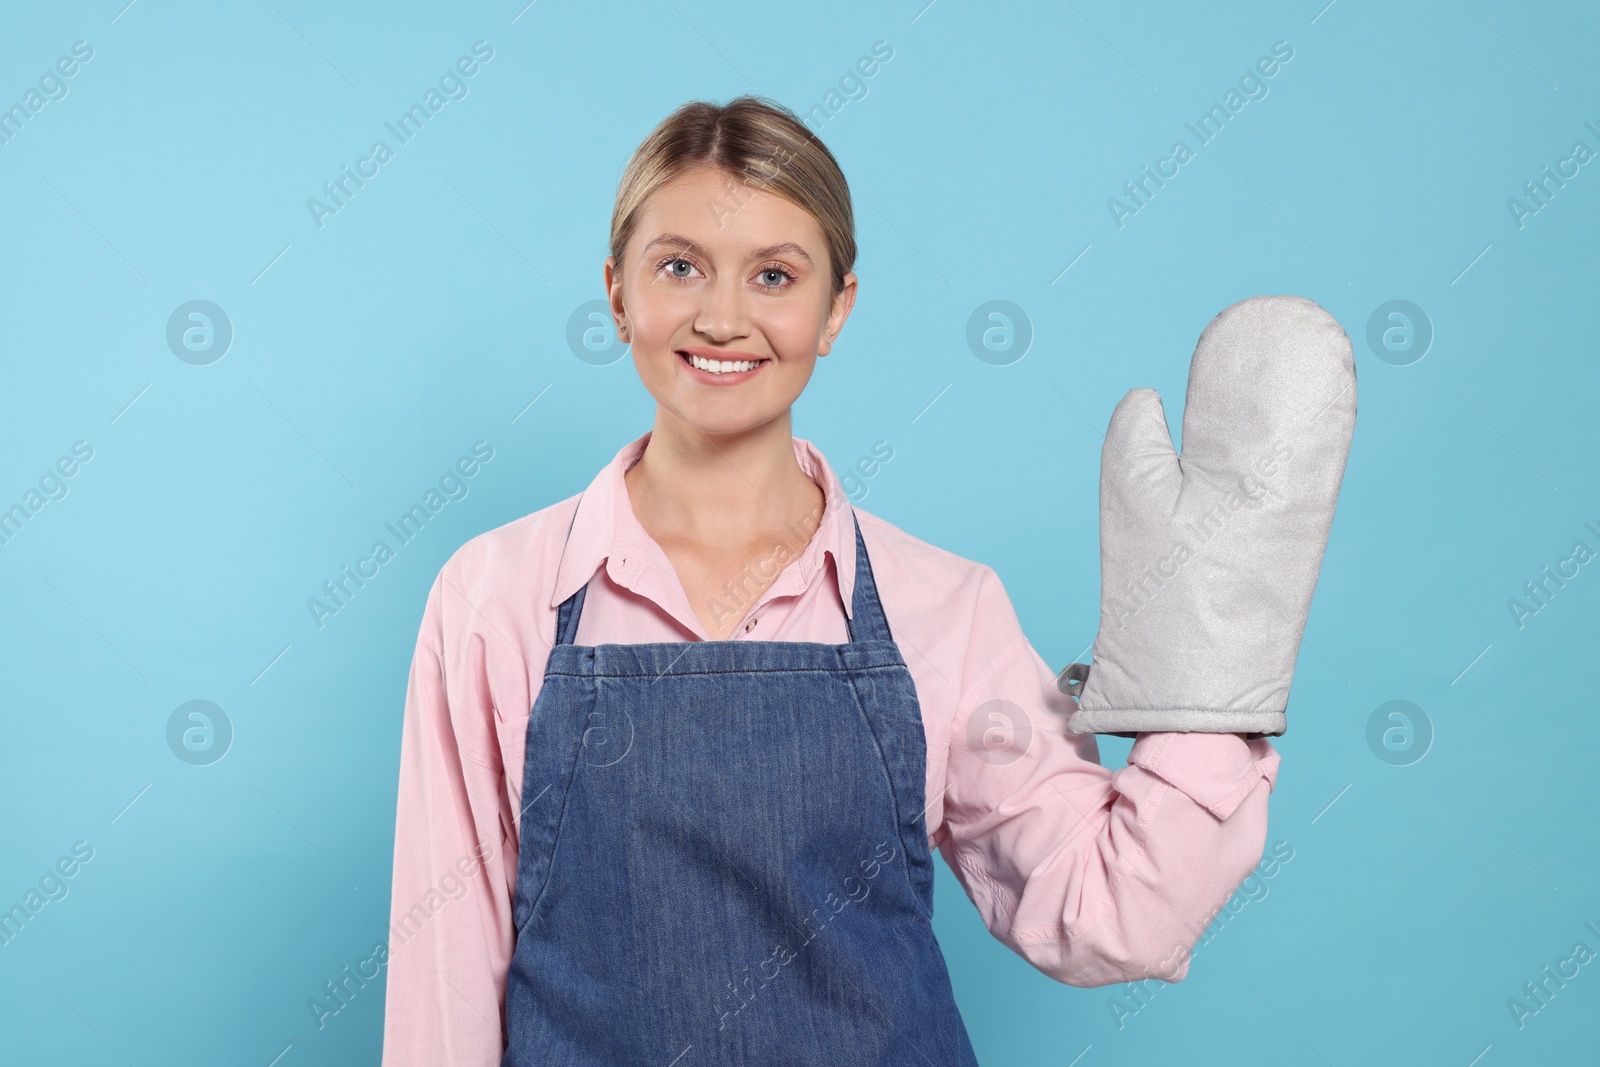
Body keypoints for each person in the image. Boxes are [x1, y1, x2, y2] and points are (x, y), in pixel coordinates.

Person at [380, 95, 1279, 1066]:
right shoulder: (494, 595)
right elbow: (445, 968)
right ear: (616, 291)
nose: (722, 317)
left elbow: (1114, 913)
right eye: (678, 266)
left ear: (835, 308)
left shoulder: (944, 606)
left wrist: (1208, 672)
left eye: (774, 275)